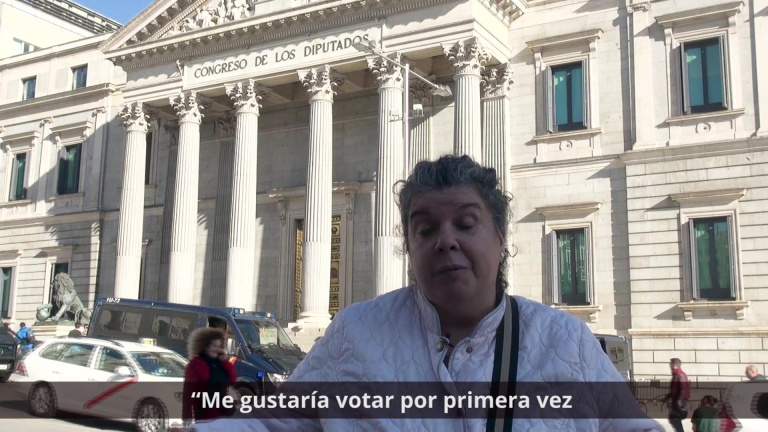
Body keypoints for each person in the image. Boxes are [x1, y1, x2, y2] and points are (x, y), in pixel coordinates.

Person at [180, 155, 662, 431]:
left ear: (500, 238)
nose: (445, 240)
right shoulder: (354, 333)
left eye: (466, 223)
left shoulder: (566, 342)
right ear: (409, 248)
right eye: (425, 228)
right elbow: (274, 425)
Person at [182, 327, 237, 426]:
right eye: (214, 346)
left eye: (219, 346)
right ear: (205, 347)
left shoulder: (220, 363)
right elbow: (188, 392)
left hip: (224, 414)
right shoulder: (195, 364)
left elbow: (232, 379)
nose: (217, 349)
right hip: (204, 414)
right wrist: (187, 416)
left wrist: (225, 362)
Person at [662, 358, 690, 432]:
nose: (669, 366)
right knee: (674, 419)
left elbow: (683, 387)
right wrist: (667, 397)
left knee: (674, 419)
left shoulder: (680, 375)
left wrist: (679, 400)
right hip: (677, 399)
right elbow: (674, 389)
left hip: (679, 400)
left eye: (670, 364)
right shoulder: (676, 375)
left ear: (674, 365)